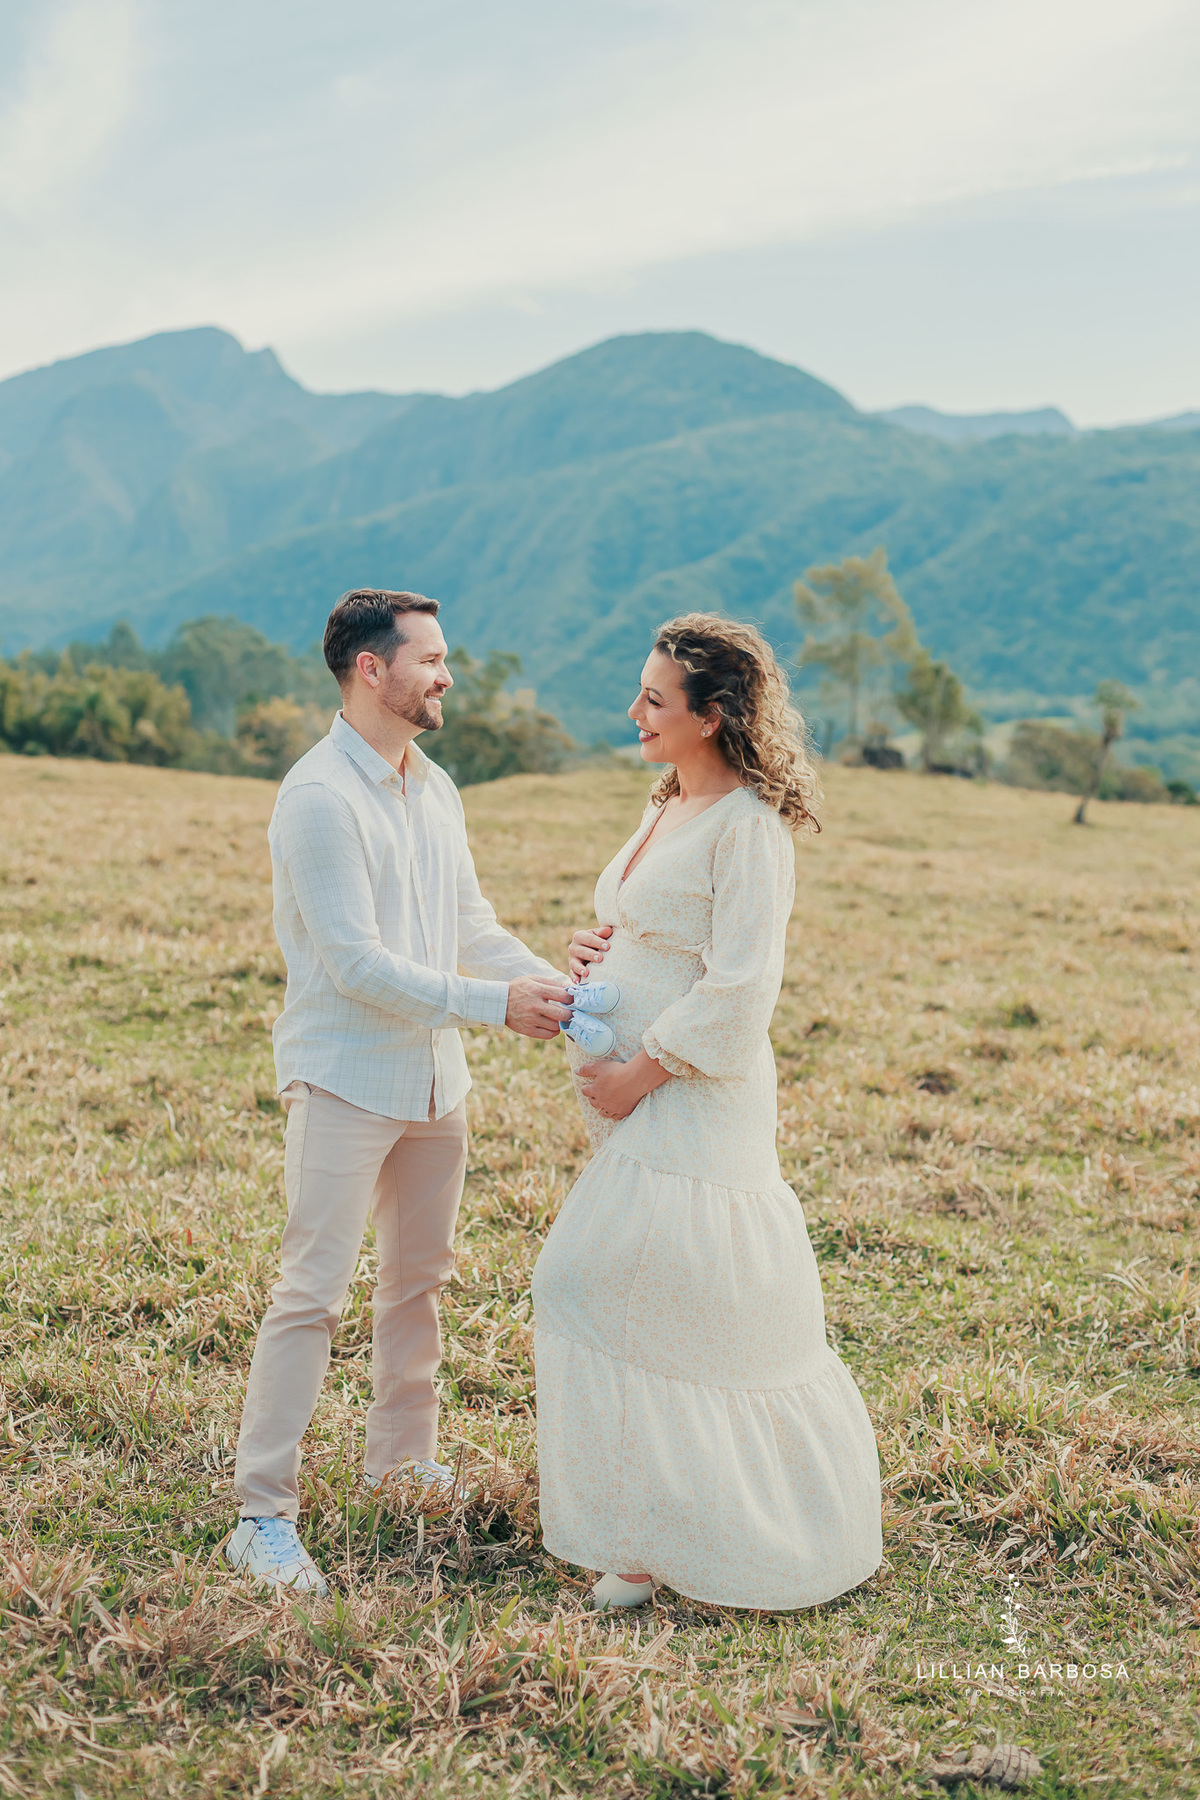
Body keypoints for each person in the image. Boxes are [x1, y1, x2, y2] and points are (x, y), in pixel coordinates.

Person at [532, 613, 882, 1612]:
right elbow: (650, 926)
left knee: (591, 1284)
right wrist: (598, 951)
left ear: (714, 715)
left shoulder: (749, 830)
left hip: (691, 1100)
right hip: (631, 1099)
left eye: (653, 698)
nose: (633, 711)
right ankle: (647, 1535)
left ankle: (742, 1532)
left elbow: (739, 992)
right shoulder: (666, 801)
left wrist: (637, 1073)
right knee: (650, 1305)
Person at [228, 588, 571, 1594]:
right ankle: (261, 1515)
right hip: (343, 1079)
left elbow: (471, 923)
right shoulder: (318, 797)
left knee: (419, 1283)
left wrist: (548, 986)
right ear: (371, 671)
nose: (446, 675)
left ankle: (401, 1467)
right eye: (430, 658)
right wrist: (490, 1003)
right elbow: (355, 966)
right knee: (311, 1294)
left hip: (435, 1083)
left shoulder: (438, 787)